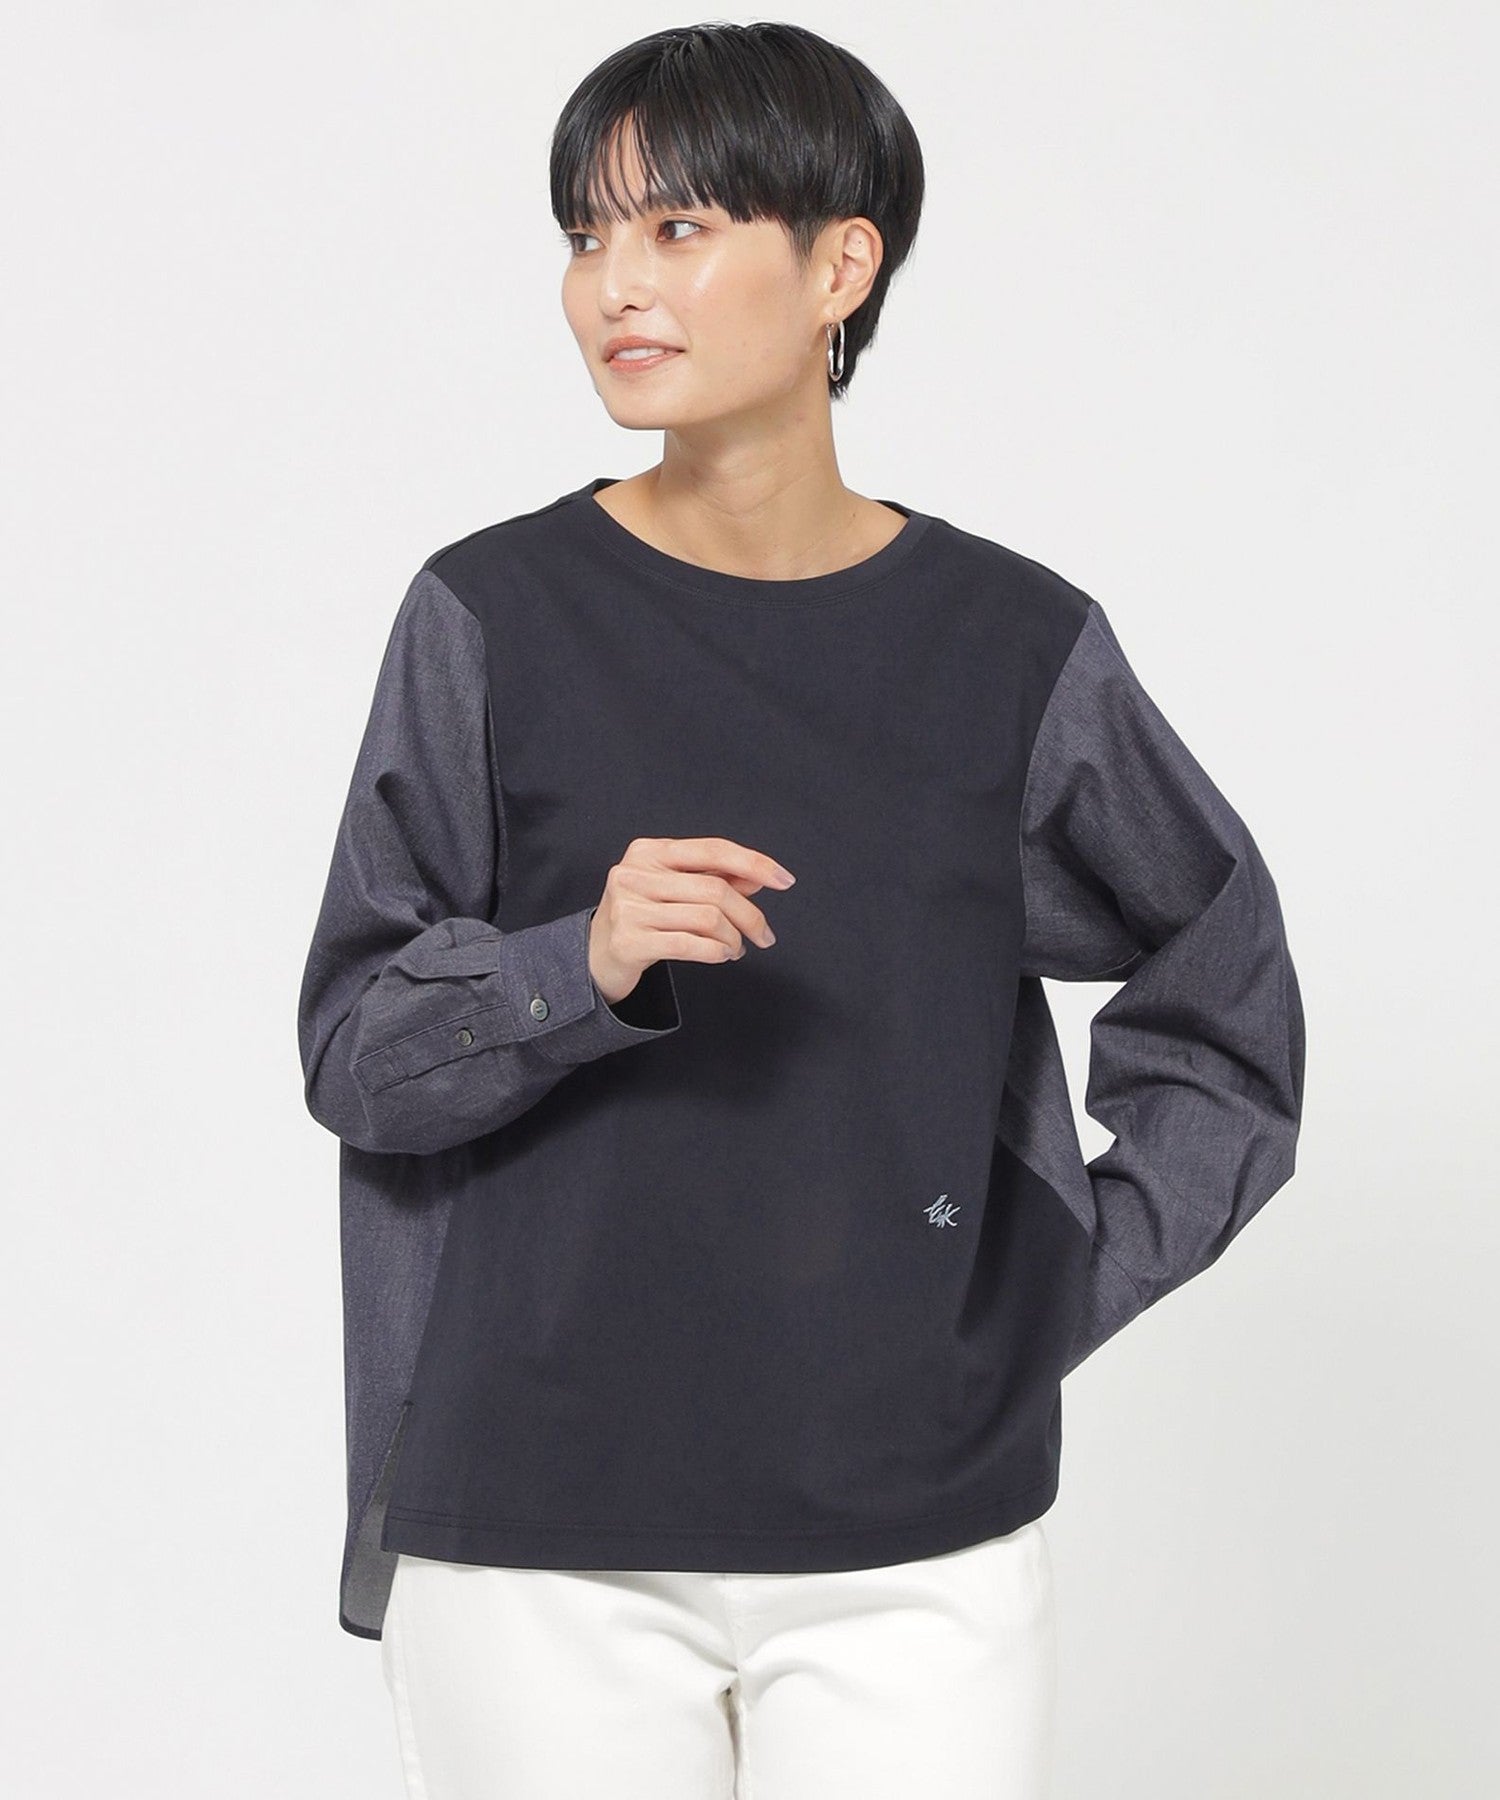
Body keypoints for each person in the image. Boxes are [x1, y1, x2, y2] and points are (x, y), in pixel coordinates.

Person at [295, 21, 1306, 1800]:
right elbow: (355, 1058)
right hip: (540, 1528)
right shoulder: (491, 615)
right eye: (588, 235)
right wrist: (579, 964)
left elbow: (1222, 988)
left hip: (915, 1532)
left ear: (842, 264)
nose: (615, 284)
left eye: (677, 228)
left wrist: (1046, 1288)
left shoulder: (1010, 645)